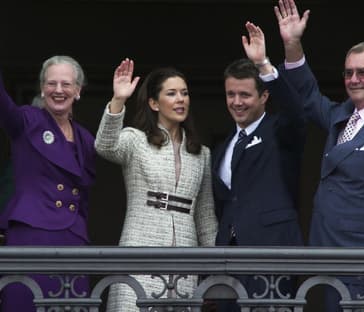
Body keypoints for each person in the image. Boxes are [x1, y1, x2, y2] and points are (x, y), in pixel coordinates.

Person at [274, 0, 364, 310]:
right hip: (326, 255)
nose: (353, 79)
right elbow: (309, 95)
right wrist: (293, 45)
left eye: (362, 73)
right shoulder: (342, 114)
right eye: (348, 72)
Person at [95, 59, 218, 311]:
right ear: (154, 103)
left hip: (185, 253)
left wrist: (213, 270)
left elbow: (205, 215)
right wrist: (118, 100)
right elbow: (105, 146)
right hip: (140, 246)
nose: (180, 99)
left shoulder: (201, 153)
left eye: (184, 93)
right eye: (171, 93)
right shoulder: (135, 141)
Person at [211, 22, 306, 311]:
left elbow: (296, 113)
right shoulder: (222, 146)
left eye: (245, 95)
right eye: (231, 94)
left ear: (264, 96)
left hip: (272, 255)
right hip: (230, 262)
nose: (236, 102)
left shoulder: (280, 131)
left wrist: (264, 65)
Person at [0, 55, 96, 311]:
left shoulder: (85, 138)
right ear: (42, 89)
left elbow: (84, 195)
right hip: (32, 233)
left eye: (66, 84)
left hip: (73, 237)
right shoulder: (27, 120)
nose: (58, 90)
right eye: (51, 83)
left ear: (78, 90)